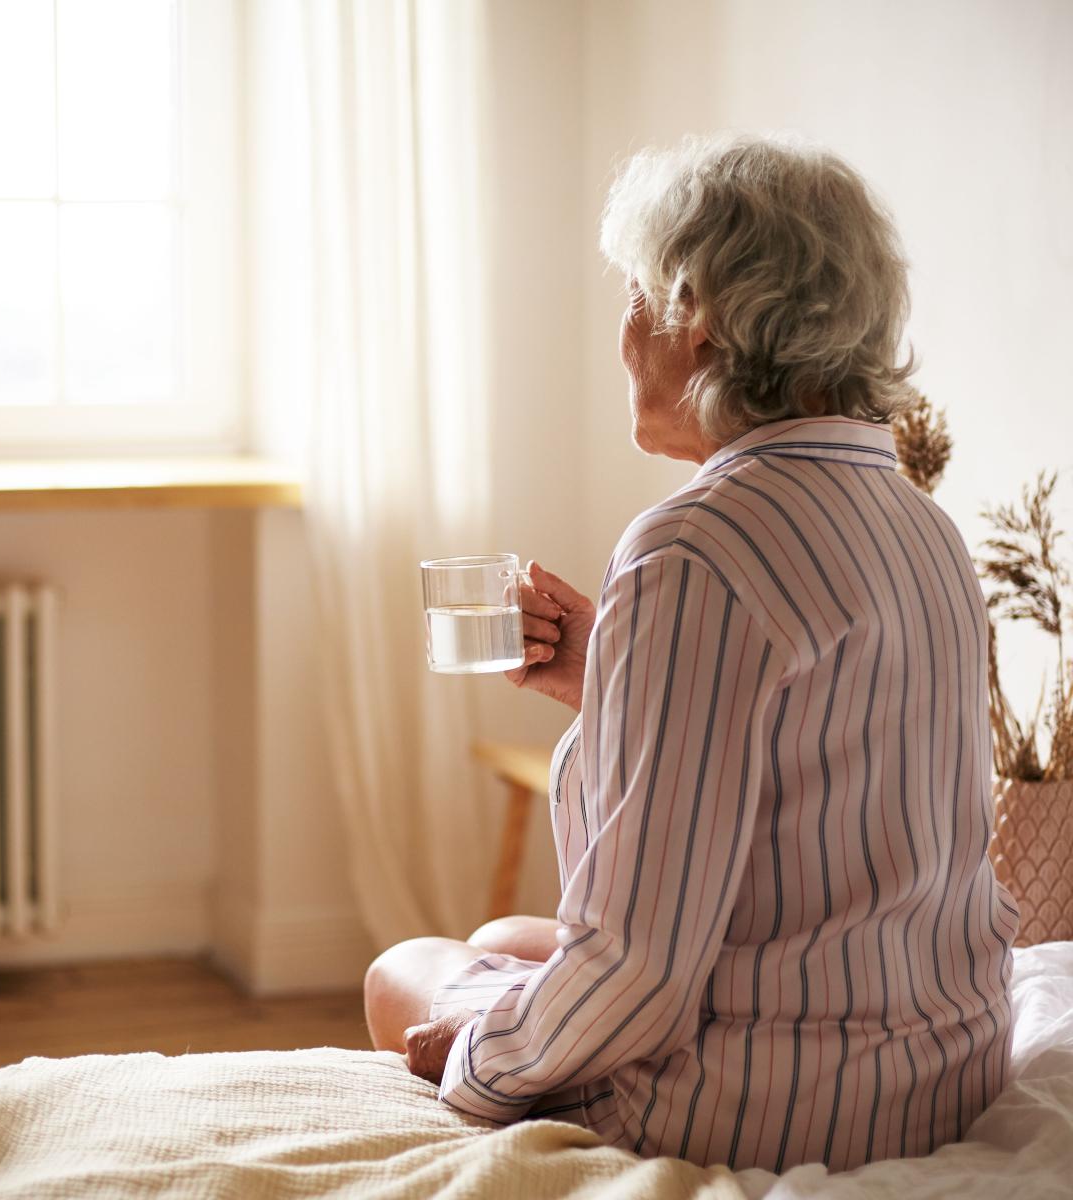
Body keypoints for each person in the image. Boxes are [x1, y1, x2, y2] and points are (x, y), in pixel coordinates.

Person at [364, 132, 1019, 1173]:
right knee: (504, 937)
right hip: (943, 1061)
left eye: (634, 294)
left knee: (408, 968)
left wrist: (475, 1058)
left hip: (780, 1103)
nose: (623, 332)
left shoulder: (696, 547)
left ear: (695, 315)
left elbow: (638, 965)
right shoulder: (918, 520)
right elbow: (820, 761)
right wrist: (607, 678)